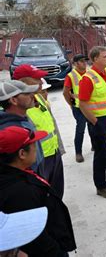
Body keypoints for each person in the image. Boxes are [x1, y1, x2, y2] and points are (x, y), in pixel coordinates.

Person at [0, 125, 76, 256]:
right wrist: (57, 252)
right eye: (33, 144)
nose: (37, 147)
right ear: (22, 154)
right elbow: (35, 236)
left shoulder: (18, 172)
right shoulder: (20, 192)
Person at [13, 65, 65, 199]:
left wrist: (59, 148)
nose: (41, 81)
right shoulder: (17, 107)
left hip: (53, 154)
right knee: (42, 196)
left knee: (57, 193)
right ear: (22, 83)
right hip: (37, 160)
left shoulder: (40, 98)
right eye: (36, 79)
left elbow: (52, 124)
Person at [78, 46, 106, 199]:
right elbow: (83, 104)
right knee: (101, 154)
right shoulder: (88, 79)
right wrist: (95, 122)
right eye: (105, 56)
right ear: (95, 59)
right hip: (97, 121)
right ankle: (101, 186)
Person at [0, 80, 44, 176]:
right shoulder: (11, 131)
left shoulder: (23, 119)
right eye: (27, 93)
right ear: (13, 100)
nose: (32, 96)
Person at [63, 54, 89, 163]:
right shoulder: (71, 76)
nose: (85, 63)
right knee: (80, 129)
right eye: (82, 61)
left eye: (85, 61)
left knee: (93, 128)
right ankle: (78, 153)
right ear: (75, 63)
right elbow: (65, 93)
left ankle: (95, 146)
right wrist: (71, 104)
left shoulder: (89, 73)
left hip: (90, 106)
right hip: (79, 108)